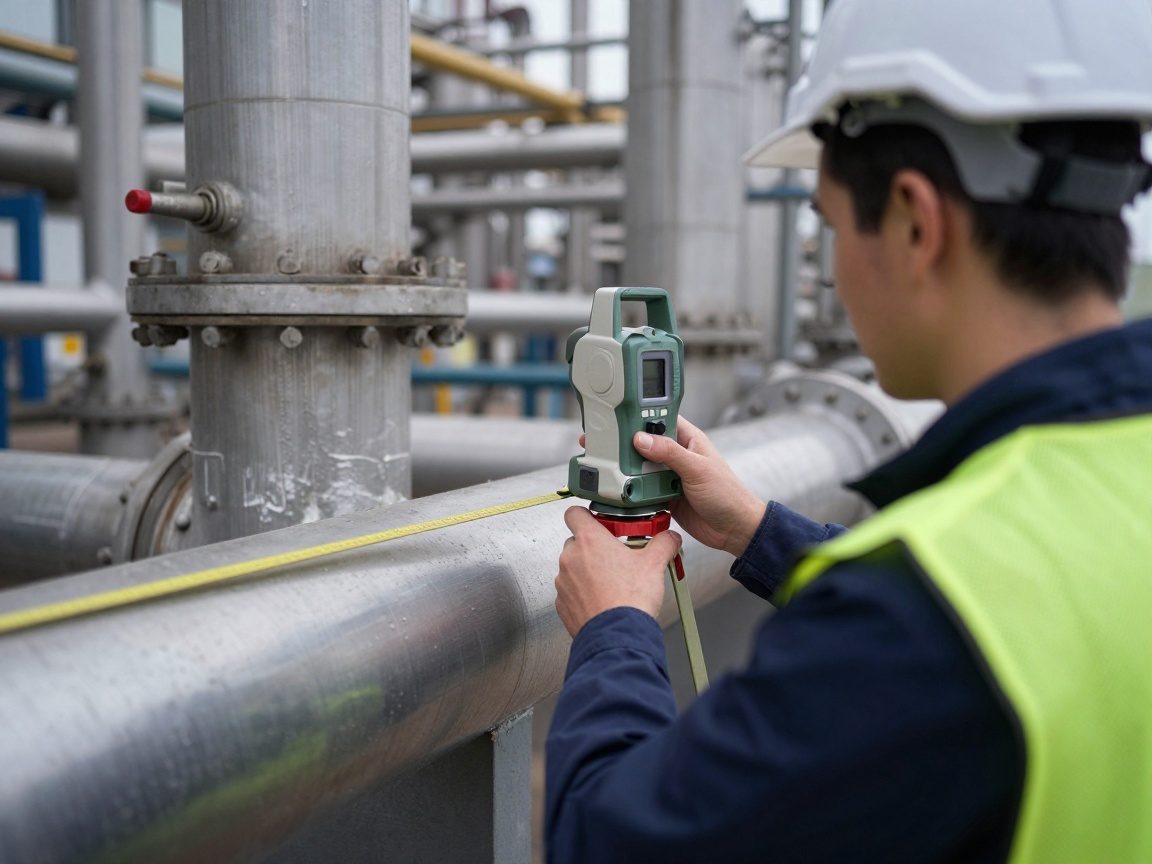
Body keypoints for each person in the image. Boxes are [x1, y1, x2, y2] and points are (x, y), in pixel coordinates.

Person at [545, 1, 1152, 862]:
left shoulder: (917, 617)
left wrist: (614, 629)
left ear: (914, 221)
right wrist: (758, 532)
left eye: (827, 224)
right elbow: (1015, 598)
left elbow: (610, 844)